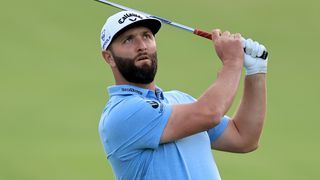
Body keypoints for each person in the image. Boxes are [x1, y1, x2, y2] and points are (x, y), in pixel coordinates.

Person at [98, 10, 268, 180]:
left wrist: (256, 72)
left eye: (147, 36)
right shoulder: (122, 113)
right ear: (109, 57)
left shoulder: (180, 100)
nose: (141, 45)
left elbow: (244, 137)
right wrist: (232, 62)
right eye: (128, 40)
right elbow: (210, 113)